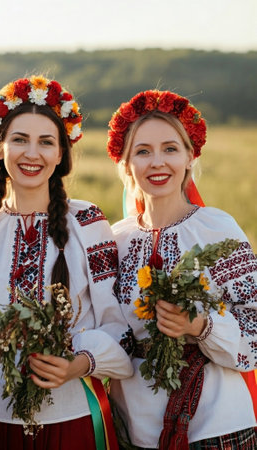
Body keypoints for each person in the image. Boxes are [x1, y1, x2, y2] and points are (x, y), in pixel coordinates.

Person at [0, 75, 133, 450]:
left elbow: (120, 329)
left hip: (72, 417)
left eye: (46, 142)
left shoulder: (87, 222)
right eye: (19, 140)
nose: (32, 153)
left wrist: (79, 363)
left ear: (61, 154)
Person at [106, 89, 257, 449]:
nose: (157, 161)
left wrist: (200, 326)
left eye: (170, 148)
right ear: (126, 163)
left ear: (190, 156)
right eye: (142, 151)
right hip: (136, 431)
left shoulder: (215, 229)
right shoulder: (117, 239)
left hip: (217, 428)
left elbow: (255, 327)